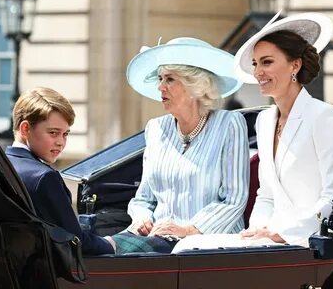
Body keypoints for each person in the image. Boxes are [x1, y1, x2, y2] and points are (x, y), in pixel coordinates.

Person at [107, 37, 250, 254]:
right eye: (160, 78)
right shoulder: (156, 129)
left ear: (197, 86)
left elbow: (234, 199)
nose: (160, 87)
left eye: (170, 79)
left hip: (208, 242)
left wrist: (189, 229)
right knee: (97, 250)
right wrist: (142, 218)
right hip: (157, 238)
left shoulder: (229, 124)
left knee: (115, 255)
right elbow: (143, 198)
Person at [234, 12, 333, 247]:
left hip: (307, 240)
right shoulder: (264, 120)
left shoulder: (324, 115)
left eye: (267, 62)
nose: (257, 72)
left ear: (295, 65)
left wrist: (282, 234)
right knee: (190, 248)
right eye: (256, 64)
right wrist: (256, 231)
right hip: (267, 240)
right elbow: (265, 195)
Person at [5, 87, 115, 255]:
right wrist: (111, 244)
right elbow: (75, 242)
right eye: (53, 133)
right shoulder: (44, 177)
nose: (61, 142)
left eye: (65, 134)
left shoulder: (0, 164)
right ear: (25, 128)